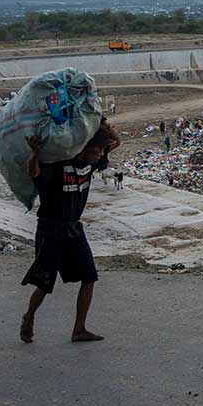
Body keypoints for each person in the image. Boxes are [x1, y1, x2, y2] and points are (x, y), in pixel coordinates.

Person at [19, 120, 122, 344]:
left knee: (89, 276)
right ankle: (29, 316)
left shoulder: (91, 165)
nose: (100, 154)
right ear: (84, 149)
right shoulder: (58, 165)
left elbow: (116, 142)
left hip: (74, 227)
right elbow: (34, 173)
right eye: (96, 150)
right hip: (51, 228)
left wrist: (102, 122)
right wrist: (35, 153)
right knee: (45, 283)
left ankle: (79, 329)